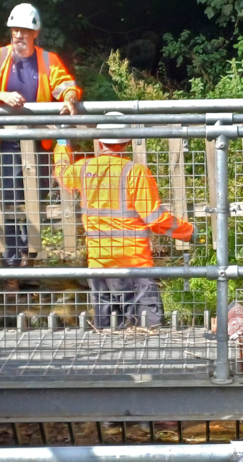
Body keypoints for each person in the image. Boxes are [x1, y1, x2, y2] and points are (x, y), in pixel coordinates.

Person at [0, 3, 82, 280]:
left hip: (40, 146)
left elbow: (65, 85)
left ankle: (28, 261)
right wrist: (1, 96)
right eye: (15, 30)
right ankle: (12, 268)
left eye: (24, 30)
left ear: (35, 33)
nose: (18, 35)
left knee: (35, 201)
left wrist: (69, 98)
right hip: (7, 144)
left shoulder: (47, 60)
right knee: (10, 201)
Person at [53, 120, 195, 328]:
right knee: (149, 332)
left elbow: (62, 173)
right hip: (134, 265)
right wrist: (189, 232)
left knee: (108, 335)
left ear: (99, 142)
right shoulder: (135, 173)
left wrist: (62, 142)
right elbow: (154, 218)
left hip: (100, 266)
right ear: (128, 141)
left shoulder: (84, 169)